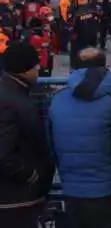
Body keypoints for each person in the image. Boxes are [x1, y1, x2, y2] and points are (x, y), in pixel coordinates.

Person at [48, 48, 111, 228]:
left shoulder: (57, 99)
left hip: (71, 186)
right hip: (106, 187)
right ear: (104, 68)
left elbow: (50, 144)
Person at [0, 42, 53, 227]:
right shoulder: (10, 101)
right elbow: (3, 153)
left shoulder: (15, 93)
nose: (38, 68)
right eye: (35, 65)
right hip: (14, 198)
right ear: (23, 69)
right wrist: (30, 174)